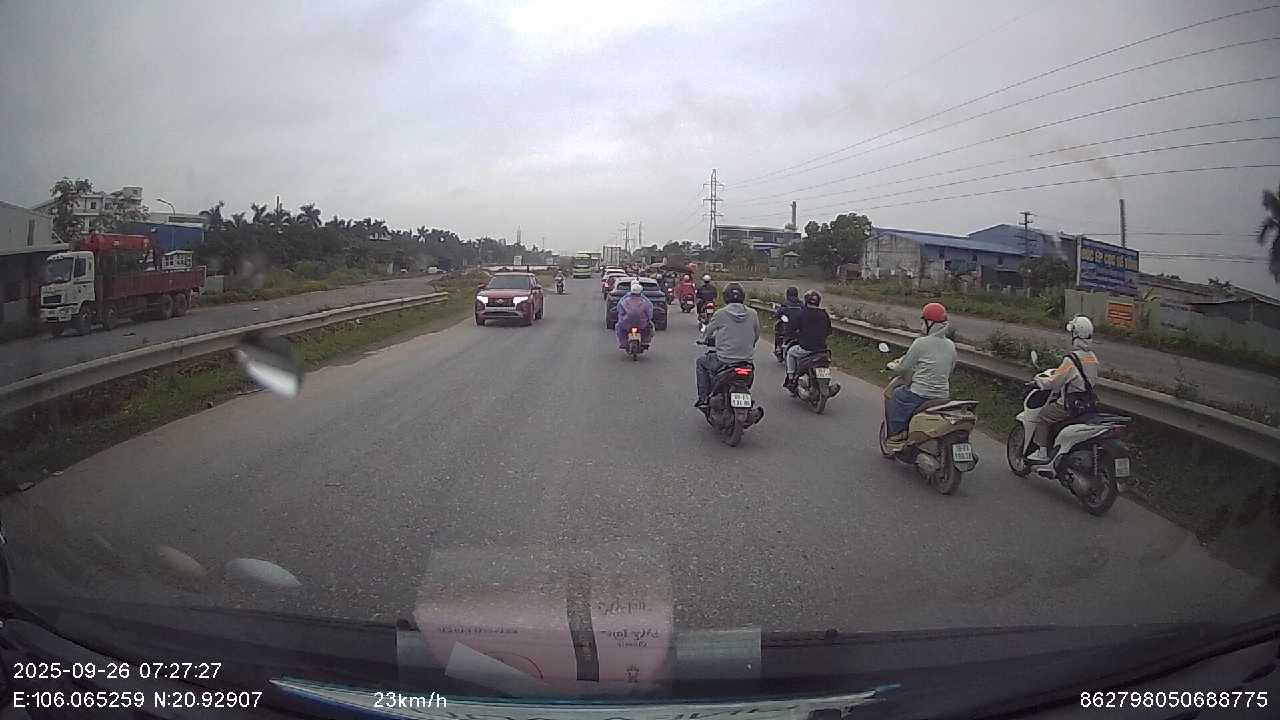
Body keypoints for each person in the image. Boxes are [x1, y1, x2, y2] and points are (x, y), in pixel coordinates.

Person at [1027, 316, 1100, 462]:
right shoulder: (1092, 358)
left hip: (1069, 405)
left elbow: (1054, 382)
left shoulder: (1071, 359)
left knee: (1042, 417)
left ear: (1075, 334)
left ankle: (1042, 452)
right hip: (1087, 404)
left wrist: (1039, 380)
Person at [885, 303, 956, 439]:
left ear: (930, 323)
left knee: (896, 395)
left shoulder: (921, 343)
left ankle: (898, 433)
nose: (922, 325)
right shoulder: (950, 345)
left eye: (924, 321)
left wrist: (893, 369)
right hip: (943, 396)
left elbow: (904, 367)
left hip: (921, 394)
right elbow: (950, 369)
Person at [694, 282, 759, 408]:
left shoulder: (720, 313)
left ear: (725, 297)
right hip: (746, 361)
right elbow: (756, 335)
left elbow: (708, 331)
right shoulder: (753, 314)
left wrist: (702, 339)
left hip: (724, 360)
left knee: (701, 362)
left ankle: (703, 398)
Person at [782, 290, 832, 391]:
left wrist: (792, 334)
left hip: (806, 348)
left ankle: (791, 379)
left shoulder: (802, 313)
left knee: (790, 353)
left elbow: (792, 328)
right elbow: (828, 331)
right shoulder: (824, 314)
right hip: (822, 350)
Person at [615, 281, 654, 350]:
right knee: (650, 327)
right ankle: (646, 340)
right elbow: (649, 311)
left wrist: (621, 318)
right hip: (641, 323)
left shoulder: (625, 299)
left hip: (626, 322)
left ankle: (623, 342)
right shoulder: (644, 300)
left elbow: (619, 308)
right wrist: (648, 319)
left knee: (618, 327)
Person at [772, 286, 804, 355]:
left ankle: (779, 348)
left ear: (787, 294)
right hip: (799, 329)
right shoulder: (801, 304)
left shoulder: (785, 304)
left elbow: (778, 313)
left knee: (777, 327)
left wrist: (776, 314)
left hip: (788, 329)